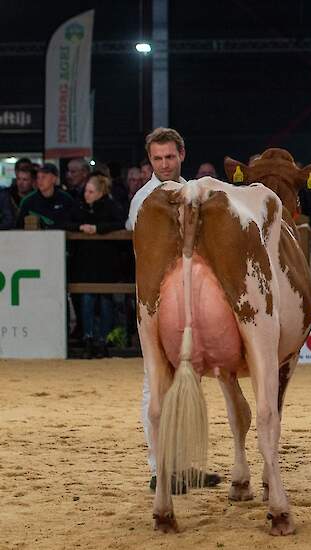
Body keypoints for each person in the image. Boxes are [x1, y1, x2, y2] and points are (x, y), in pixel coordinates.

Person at [127, 127, 220, 493]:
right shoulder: (144, 201)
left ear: (182, 153)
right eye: (157, 158)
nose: (164, 164)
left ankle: (182, 468)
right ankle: (159, 469)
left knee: (189, 381)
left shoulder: (197, 193)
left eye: (169, 157)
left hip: (191, 303)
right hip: (156, 304)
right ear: (149, 160)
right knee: (156, 385)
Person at [66, 174, 126, 358]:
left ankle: (104, 340)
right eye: (86, 191)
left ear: (101, 192)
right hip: (84, 263)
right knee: (87, 299)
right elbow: (67, 222)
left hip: (106, 262)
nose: (87, 194)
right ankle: (88, 338)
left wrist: (98, 228)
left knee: (106, 300)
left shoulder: (112, 206)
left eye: (91, 191)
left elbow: (121, 223)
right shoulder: (80, 205)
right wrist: (80, 228)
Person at [16, 163, 75, 229]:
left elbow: (73, 223)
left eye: (43, 177)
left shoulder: (66, 199)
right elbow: (19, 226)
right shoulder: (28, 201)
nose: (40, 181)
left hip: (60, 237)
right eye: (38, 177)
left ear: (54, 179)